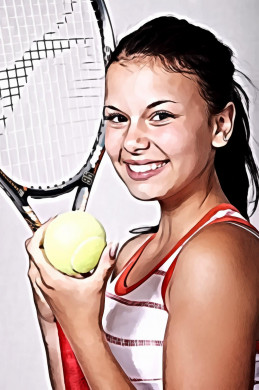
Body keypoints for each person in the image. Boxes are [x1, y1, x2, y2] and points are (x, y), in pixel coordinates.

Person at [26, 15, 259, 390]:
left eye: (160, 116)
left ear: (220, 125)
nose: (133, 140)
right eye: (117, 118)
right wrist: (58, 323)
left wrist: (85, 330)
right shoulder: (133, 254)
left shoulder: (214, 258)